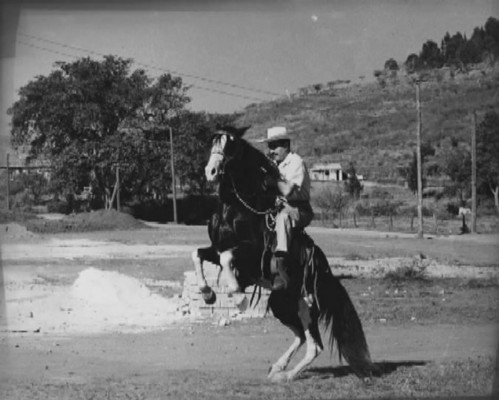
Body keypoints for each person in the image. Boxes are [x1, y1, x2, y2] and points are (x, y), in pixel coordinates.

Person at [259, 126, 314, 291]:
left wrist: (271, 178)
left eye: (275, 146)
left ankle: (281, 264)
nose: (272, 150)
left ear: (286, 145)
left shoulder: (295, 162)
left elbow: (288, 191)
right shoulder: (274, 164)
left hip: (298, 209)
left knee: (283, 218)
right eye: (269, 146)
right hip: (278, 207)